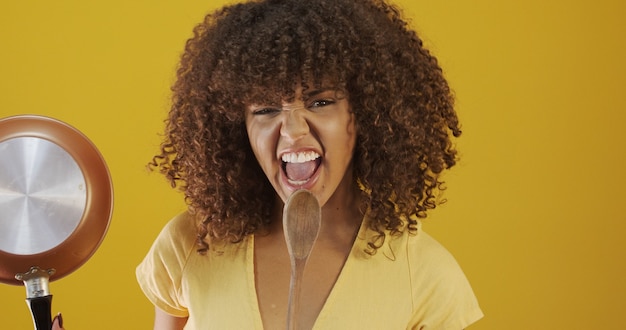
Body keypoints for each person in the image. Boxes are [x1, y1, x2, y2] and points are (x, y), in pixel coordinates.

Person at [136, 0, 483, 329]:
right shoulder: (190, 244)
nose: (292, 129)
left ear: (368, 114)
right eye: (266, 109)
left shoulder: (424, 274)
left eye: (320, 102)